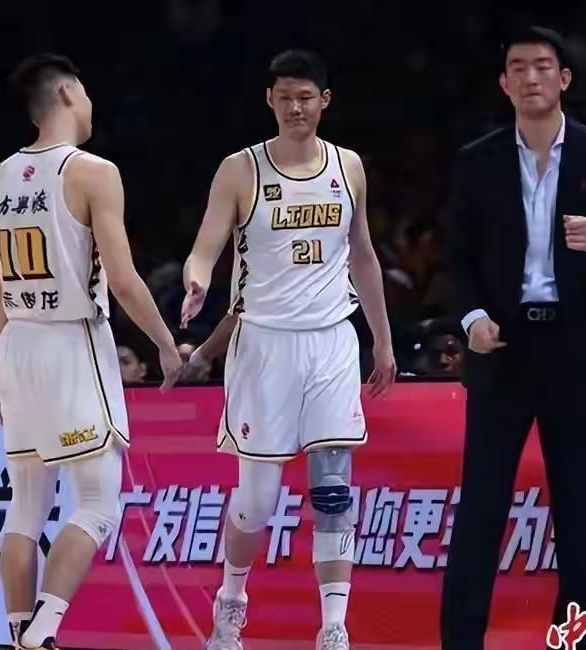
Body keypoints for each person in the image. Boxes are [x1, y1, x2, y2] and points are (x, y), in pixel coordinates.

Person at [440, 27, 586, 650]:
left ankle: (575, 641)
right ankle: (461, 641)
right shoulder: (477, 160)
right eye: (518, 67)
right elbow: (456, 258)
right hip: (503, 350)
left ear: (564, 78)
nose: (531, 76)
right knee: (481, 507)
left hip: (577, 350)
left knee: (580, 510)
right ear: (504, 83)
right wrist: (471, 318)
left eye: (543, 66)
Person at [181, 50, 396, 650]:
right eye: (284, 98)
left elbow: (363, 255)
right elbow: (206, 245)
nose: (295, 108)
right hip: (263, 345)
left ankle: (334, 627)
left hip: (331, 340)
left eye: (305, 97)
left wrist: (382, 339)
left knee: (333, 490)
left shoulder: (348, 166)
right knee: (256, 501)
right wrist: (197, 280)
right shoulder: (240, 169)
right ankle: (231, 603)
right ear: (269, 101)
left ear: (324, 101)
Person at [0, 54, 182, 650]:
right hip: (70, 340)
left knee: (25, 508)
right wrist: (166, 346)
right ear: (69, 92)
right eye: (87, 91)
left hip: (16, 344)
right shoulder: (93, 171)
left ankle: (18, 633)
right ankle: (41, 633)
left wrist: (3, 373)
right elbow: (122, 279)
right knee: (97, 504)